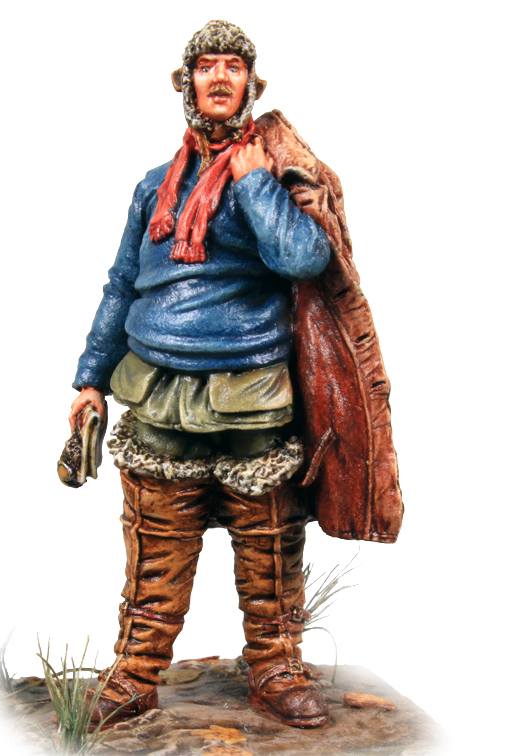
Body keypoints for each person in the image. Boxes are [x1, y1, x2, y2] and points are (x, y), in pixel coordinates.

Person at [68, 20, 402, 730]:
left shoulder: (276, 179)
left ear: (252, 83)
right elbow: (122, 283)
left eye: (233, 65)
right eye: (205, 66)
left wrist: (253, 181)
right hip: (158, 394)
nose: (219, 77)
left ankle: (276, 669)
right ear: (185, 83)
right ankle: (135, 673)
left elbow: (303, 258)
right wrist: (90, 379)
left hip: (255, 397)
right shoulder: (153, 188)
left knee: (270, 546)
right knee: (155, 548)